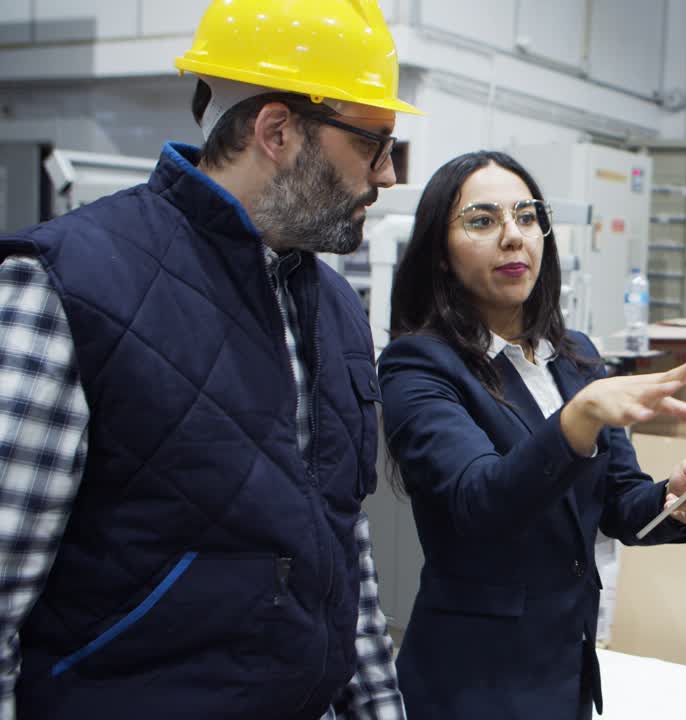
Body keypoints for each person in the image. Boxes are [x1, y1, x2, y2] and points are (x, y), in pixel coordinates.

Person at [0, 1, 420, 718]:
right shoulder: (65, 286)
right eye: (373, 144)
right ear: (278, 130)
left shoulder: (338, 307)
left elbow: (344, 557)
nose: (387, 176)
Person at [377, 150, 686, 720]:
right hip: (474, 685)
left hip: (565, 675)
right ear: (440, 255)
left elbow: (619, 504)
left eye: (526, 216)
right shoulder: (418, 366)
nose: (513, 237)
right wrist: (580, 416)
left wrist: (676, 501)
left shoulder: (575, 356)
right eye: (482, 220)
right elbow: (479, 504)